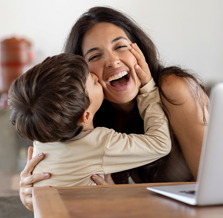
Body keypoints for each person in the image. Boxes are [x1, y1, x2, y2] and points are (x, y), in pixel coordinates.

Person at [19, 6, 209, 210]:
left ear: (139, 50)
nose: (112, 61)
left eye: (120, 46)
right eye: (94, 57)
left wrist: (148, 91)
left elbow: (214, 192)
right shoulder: (85, 123)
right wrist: (30, 195)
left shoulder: (172, 89)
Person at [9, 53, 171, 187]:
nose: (95, 76)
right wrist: (148, 90)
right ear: (85, 116)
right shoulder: (98, 142)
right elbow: (160, 144)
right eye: (93, 82)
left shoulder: (43, 136)